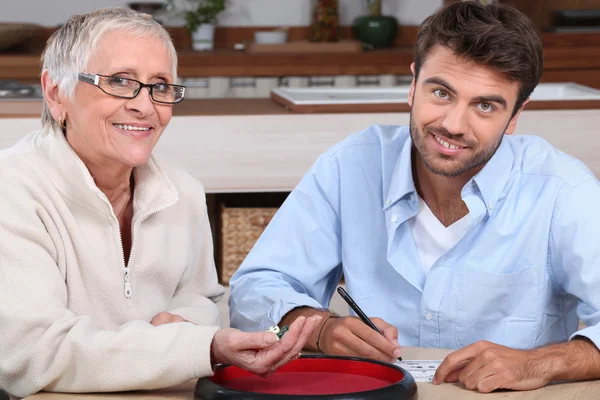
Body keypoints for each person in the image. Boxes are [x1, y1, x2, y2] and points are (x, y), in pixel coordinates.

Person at [229, 1, 600, 393]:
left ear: (516, 116)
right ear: (412, 85)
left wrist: (539, 363)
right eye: (441, 92)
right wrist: (318, 329)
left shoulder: (563, 189)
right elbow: (253, 293)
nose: (453, 125)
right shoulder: (349, 167)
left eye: (486, 105)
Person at [0, 7, 322, 399]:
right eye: (119, 81)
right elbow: (33, 353)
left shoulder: (183, 190)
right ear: (56, 93)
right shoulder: (12, 188)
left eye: (160, 85)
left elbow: (203, 301)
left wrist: (185, 324)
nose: (145, 105)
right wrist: (197, 346)